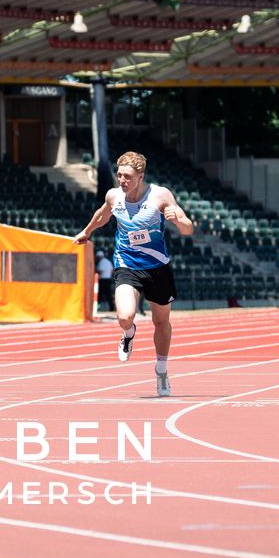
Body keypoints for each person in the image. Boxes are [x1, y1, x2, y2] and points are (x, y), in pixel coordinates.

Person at [73, 151, 195, 398]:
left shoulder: (160, 195)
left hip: (157, 267)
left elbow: (188, 228)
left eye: (128, 176)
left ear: (141, 176)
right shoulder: (114, 195)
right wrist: (87, 232)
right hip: (126, 263)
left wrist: (178, 222)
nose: (122, 181)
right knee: (125, 315)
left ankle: (161, 371)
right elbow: (103, 213)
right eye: (119, 175)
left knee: (161, 322)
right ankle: (128, 334)